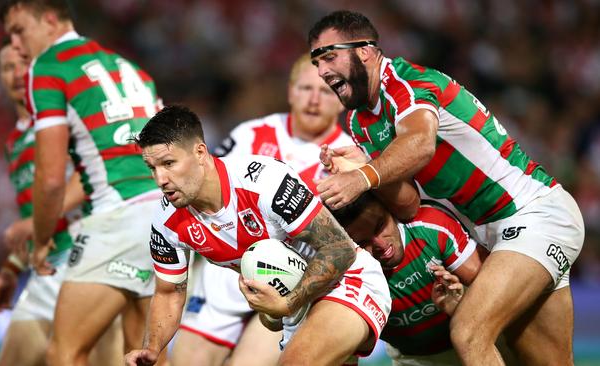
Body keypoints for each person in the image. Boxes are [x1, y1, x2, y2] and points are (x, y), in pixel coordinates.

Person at [308, 10, 585, 365]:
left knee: (469, 330)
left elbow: (420, 143)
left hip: (534, 213)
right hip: (498, 234)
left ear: (364, 51)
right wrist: (364, 166)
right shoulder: (360, 121)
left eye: (329, 56)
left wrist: (361, 177)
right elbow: (407, 204)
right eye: (317, 62)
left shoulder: (409, 84)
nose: (322, 72)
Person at [124, 105, 391, 366]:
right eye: (152, 167)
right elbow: (169, 292)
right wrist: (153, 348)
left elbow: (339, 248)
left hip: (346, 280)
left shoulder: (262, 181)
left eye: (169, 163)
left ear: (200, 152)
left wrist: (288, 303)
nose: (160, 179)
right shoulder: (166, 220)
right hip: (294, 307)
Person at [0, 1, 163, 364]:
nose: (14, 42)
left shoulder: (49, 66)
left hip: (118, 213)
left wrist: (41, 238)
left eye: (19, 29)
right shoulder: (131, 68)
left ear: (50, 19)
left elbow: (52, 176)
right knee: (142, 354)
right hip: (163, 212)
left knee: (66, 351)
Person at [171, 53, 351, 366]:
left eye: (325, 91)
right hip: (227, 275)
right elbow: (203, 189)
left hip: (291, 279)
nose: (313, 99)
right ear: (290, 91)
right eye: (305, 88)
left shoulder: (349, 157)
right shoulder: (250, 135)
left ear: (341, 100)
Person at [0, 37, 123, 366]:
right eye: (7, 67)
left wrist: (36, 221)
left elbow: (95, 176)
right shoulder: (14, 142)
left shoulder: (63, 123)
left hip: (87, 260)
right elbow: (34, 216)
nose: (16, 73)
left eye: (23, 64)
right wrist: (10, 269)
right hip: (46, 271)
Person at [331, 193, 483, 365]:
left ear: (391, 210)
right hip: (416, 360)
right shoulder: (344, 277)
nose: (381, 244)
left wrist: (462, 309)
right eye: (363, 242)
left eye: (380, 226)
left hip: (480, 332)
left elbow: (493, 292)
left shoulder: (431, 225)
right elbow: (344, 356)